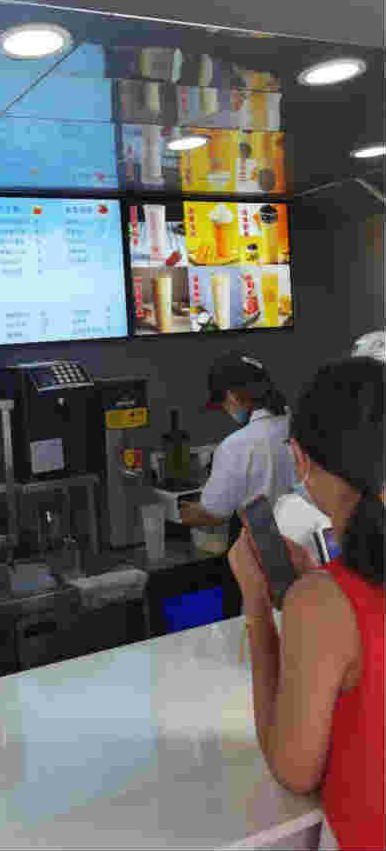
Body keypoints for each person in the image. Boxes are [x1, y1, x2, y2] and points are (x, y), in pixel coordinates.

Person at [228, 356, 385, 851]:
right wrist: (319, 585)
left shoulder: (323, 604)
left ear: (300, 458)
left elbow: (294, 769)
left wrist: (258, 606)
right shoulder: (328, 597)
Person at [179, 352, 295, 541]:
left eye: (222, 403)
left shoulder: (236, 445)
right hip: (311, 542)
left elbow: (215, 514)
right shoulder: (300, 426)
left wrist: (182, 513)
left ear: (231, 396)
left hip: (266, 548)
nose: (226, 410)